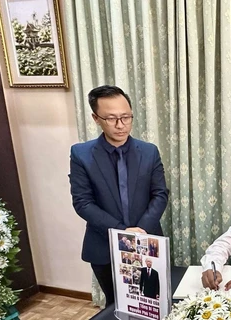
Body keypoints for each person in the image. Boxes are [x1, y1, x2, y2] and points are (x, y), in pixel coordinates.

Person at [69, 85, 169, 307]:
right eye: (111, 118)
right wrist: (123, 232)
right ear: (96, 118)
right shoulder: (81, 154)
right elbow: (83, 202)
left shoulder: (149, 151)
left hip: (147, 244)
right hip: (104, 246)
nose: (120, 125)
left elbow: (160, 194)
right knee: (116, 306)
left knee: (152, 303)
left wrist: (140, 231)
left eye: (126, 117)